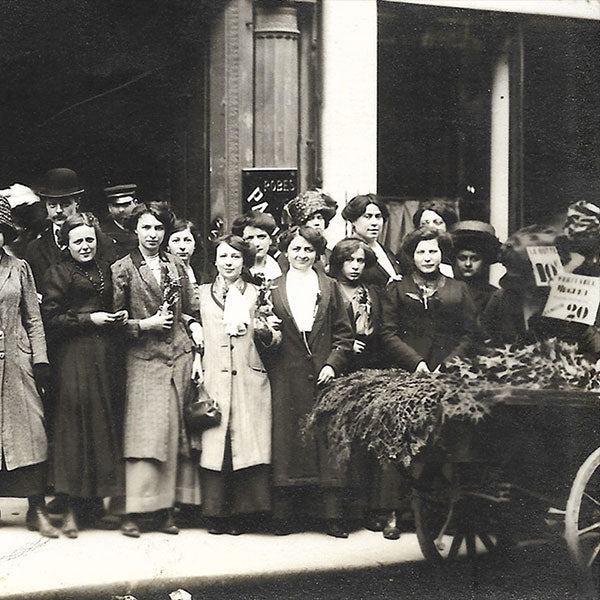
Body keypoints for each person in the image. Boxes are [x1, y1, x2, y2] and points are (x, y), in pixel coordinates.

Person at [111, 202, 203, 537]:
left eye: (159, 229)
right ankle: (132, 511)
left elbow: (191, 308)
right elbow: (114, 322)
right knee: (142, 435)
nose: (153, 235)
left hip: (178, 355)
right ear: (134, 230)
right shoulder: (122, 268)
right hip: (142, 359)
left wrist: (195, 330)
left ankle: (167, 509)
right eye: (146, 228)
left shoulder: (176, 264)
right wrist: (145, 324)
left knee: (172, 434)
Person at [41, 213, 125, 537]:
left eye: (90, 239)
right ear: (66, 244)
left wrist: (116, 317)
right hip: (73, 357)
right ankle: (72, 509)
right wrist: (91, 319)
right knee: (74, 430)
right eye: (78, 241)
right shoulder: (58, 273)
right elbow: (52, 317)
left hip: (104, 358)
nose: (86, 245)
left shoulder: (105, 268)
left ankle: (94, 506)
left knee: (101, 427)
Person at [267, 225, 353, 538]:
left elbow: (344, 334)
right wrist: (266, 332)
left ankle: (331, 516)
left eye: (308, 250)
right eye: (296, 249)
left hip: (322, 374)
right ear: (286, 253)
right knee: (287, 441)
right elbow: (264, 336)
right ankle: (284, 516)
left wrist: (332, 364)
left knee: (325, 440)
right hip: (285, 374)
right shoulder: (272, 286)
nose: (302, 255)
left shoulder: (329, 287)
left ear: (317, 254)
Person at [197, 235, 280, 535]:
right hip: (214, 377)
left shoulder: (258, 294)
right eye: (223, 257)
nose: (229, 262)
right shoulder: (202, 293)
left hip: (248, 376)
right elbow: (191, 322)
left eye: (235, 257)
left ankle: (245, 515)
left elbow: (275, 334)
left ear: (244, 261)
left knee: (246, 444)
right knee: (217, 444)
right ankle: (216, 514)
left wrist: (265, 332)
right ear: (215, 261)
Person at [0, 196, 57, 538]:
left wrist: (41, 360)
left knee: (31, 431)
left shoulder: (19, 267)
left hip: (17, 362)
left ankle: (37, 509)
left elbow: (33, 319)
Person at [381, 228, 480, 373]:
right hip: (406, 369)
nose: (427, 258)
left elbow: (470, 334)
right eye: (421, 252)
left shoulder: (459, 289)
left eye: (433, 252)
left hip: (450, 370)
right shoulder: (398, 287)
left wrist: (448, 364)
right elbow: (387, 332)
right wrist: (415, 362)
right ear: (412, 256)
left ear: (442, 253)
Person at [26, 168, 84, 288]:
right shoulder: (34, 249)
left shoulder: (95, 241)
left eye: (65, 204)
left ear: (77, 203)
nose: (58, 210)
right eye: (52, 205)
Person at [341, 193, 403, 288]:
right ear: (353, 220)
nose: (374, 223)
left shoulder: (385, 250)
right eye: (367, 216)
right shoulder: (345, 251)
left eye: (378, 216)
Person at [450, 220, 501, 315]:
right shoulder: (444, 291)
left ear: (485, 261)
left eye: (475, 259)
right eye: (462, 258)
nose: (468, 264)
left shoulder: (494, 296)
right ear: (454, 260)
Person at [281, 190, 338, 271]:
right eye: (311, 219)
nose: (317, 223)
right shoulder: (290, 254)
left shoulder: (329, 254)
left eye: (320, 218)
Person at [167, 218, 210, 314]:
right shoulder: (164, 273)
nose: (182, 246)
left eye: (187, 240)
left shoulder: (204, 275)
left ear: (195, 245)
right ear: (167, 246)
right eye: (176, 241)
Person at [412, 199, 459, 277]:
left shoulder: (458, 253)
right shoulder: (410, 254)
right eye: (424, 224)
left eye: (437, 223)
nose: (431, 227)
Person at [231, 210, 282, 283]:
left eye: (261, 237)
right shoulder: (233, 271)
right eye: (249, 238)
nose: (256, 243)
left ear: (270, 239)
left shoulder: (279, 269)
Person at [101, 183, 139, 259]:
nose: (121, 210)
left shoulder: (146, 227)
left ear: (135, 203)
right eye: (116, 205)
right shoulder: (103, 234)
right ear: (109, 207)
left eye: (125, 205)